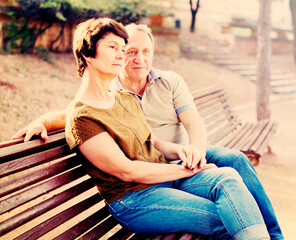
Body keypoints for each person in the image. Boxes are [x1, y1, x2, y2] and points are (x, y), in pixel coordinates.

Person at [12, 22, 283, 239]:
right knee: (225, 219)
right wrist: (42, 122)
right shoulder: (83, 116)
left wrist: (185, 152)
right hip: (135, 197)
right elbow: (126, 171)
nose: (123, 54)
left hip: (163, 176)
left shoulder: (122, 98)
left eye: (123, 47)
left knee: (228, 175)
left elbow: (152, 139)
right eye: (114, 47)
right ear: (88, 55)